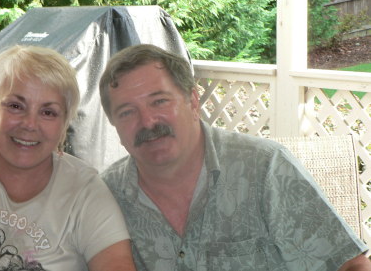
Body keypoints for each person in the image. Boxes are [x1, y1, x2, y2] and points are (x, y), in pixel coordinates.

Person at [99, 43, 371, 271]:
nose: (147, 121)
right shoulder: (104, 196)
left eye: (159, 101)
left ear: (193, 102)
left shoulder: (265, 168)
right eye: (127, 112)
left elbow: (350, 265)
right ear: (114, 125)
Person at [0, 45, 136, 271]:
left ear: (64, 127)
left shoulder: (86, 192)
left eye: (48, 112)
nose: (30, 124)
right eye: (15, 106)